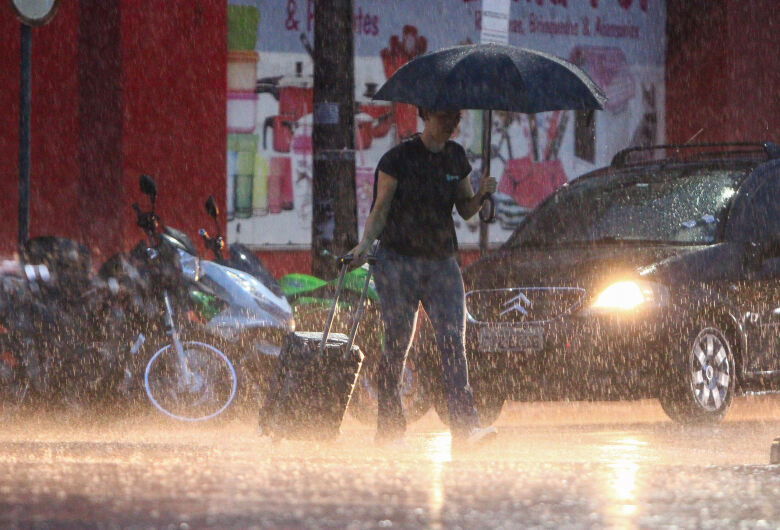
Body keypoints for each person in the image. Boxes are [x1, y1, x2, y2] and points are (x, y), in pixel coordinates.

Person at [349, 107, 498, 448]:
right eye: (446, 118)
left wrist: (481, 194)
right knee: (398, 341)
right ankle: (389, 426)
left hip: (441, 264)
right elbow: (380, 209)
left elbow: (465, 209)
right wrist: (364, 246)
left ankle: (466, 426)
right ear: (427, 115)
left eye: (456, 120)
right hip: (397, 262)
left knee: (452, 342)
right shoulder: (397, 159)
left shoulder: (456, 157)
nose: (451, 125)